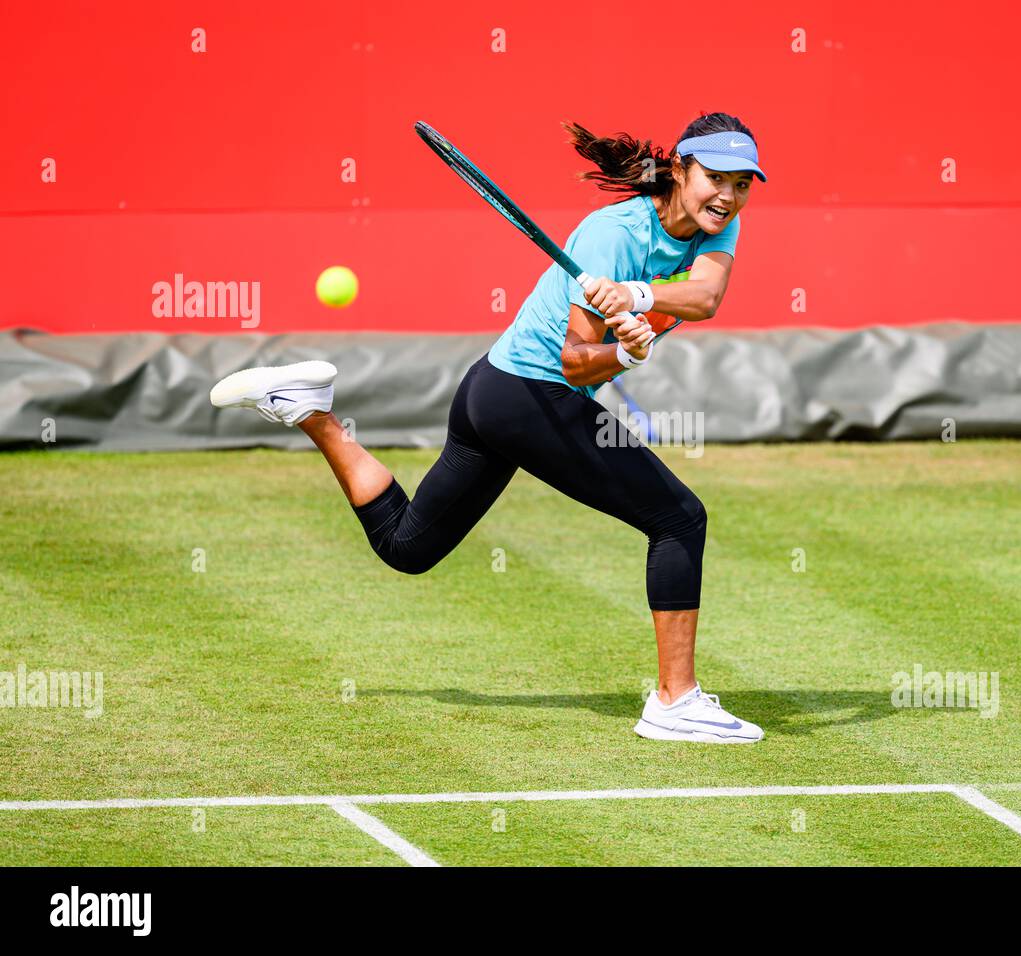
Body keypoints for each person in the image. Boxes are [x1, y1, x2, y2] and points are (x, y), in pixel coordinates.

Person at [210, 112, 766, 743]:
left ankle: (311, 411)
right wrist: (627, 353)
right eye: (715, 177)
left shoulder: (722, 224)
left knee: (408, 549)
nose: (728, 193)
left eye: (742, 183)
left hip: (492, 392)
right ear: (680, 169)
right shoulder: (609, 236)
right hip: (528, 395)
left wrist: (636, 301)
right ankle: (674, 701)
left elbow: (705, 298)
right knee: (677, 518)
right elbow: (575, 364)